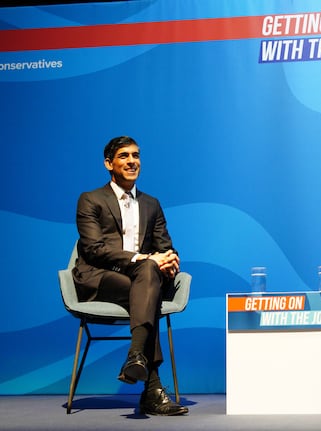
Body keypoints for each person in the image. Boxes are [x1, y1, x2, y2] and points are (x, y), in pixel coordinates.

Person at [72, 136, 188, 416]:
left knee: (147, 279)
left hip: (141, 280)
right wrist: (145, 259)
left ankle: (136, 357)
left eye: (136, 155)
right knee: (148, 283)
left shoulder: (152, 204)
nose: (132, 161)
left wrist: (170, 258)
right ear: (108, 164)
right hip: (99, 276)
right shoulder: (91, 200)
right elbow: (94, 250)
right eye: (124, 156)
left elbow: (165, 246)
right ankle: (152, 387)